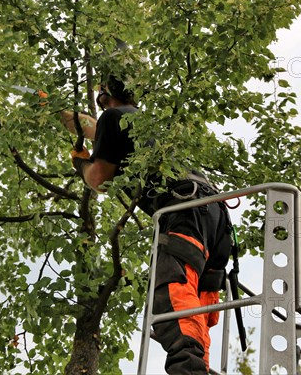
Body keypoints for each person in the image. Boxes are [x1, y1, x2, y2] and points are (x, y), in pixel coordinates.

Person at [60, 75, 233, 375]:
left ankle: (190, 371)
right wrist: (59, 113)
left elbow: (98, 179)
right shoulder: (147, 125)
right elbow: (89, 126)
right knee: (195, 308)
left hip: (184, 212)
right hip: (216, 219)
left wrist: (81, 164)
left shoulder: (113, 117)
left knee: (171, 297)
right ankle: (198, 367)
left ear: (105, 96)